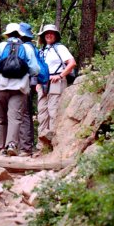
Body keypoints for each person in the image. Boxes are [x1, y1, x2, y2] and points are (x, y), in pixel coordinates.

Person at [0, 23, 39, 156]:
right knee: (15, 117)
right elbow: (34, 69)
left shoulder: (0, 46)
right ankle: (12, 144)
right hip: (19, 88)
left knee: (1, 118)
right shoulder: (27, 48)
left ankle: (0, 149)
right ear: (20, 34)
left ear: (7, 34)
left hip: (1, 87)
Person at [36, 24, 76, 153]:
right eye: (46, 33)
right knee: (42, 113)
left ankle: (54, 145)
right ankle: (42, 145)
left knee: (53, 112)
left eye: (51, 33)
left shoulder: (60, 48)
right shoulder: (42, 50)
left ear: (56, 35)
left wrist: (61, 75)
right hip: (43, 84)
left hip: (56, 82)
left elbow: (72, 63)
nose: (49, 35)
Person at [18, 22, 37, 156]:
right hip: (32, 83)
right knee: (27, 114)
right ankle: (27, 145)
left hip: (24, 83)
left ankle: (25, 147)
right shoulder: (33, 47)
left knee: (23, 114)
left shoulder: (24, 48)